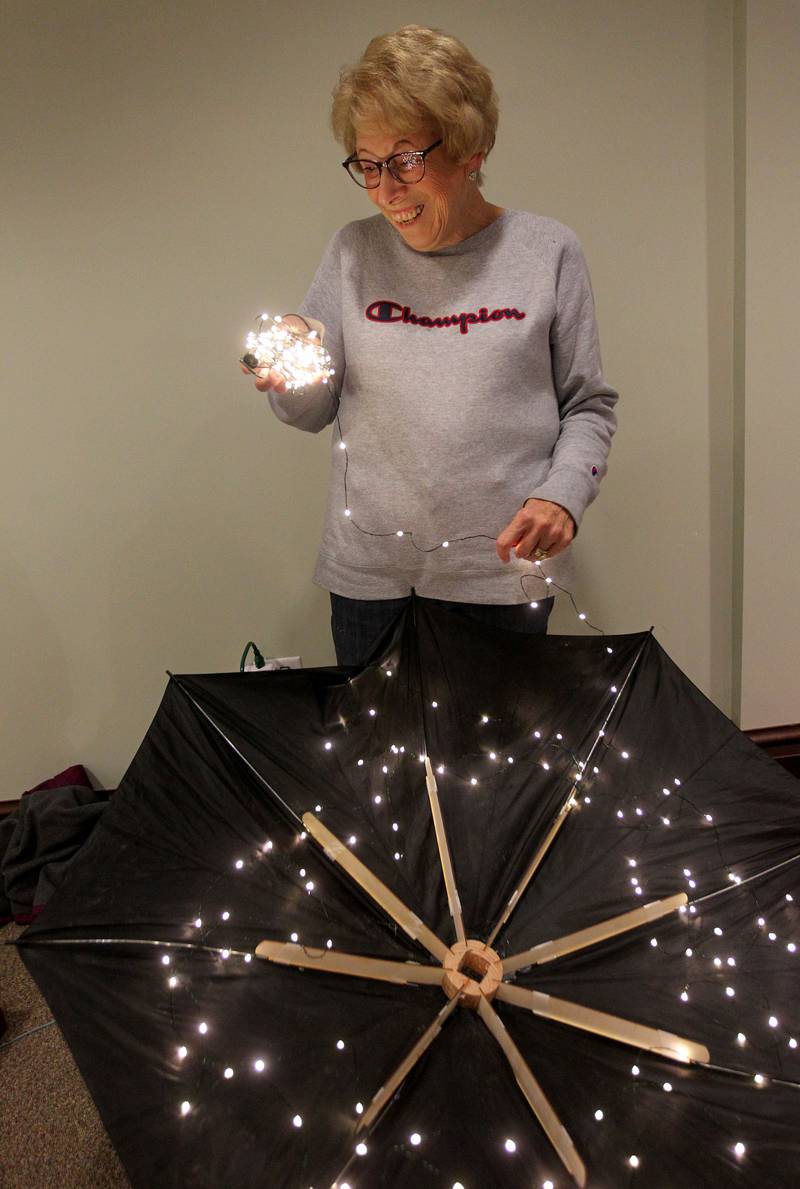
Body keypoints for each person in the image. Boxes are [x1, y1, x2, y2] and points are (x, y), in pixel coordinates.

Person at [247, 25, 618, 665]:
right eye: (367, 164)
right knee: (376, 765)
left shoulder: (547, 251)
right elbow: (309, 412)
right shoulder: (351, 252)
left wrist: (563, 496)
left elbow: (588, 407)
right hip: (369, 582)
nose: (386, 190)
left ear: (470, 149)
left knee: (497, 764)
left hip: (503, 578)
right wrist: (292, 372)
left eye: (407, 159)